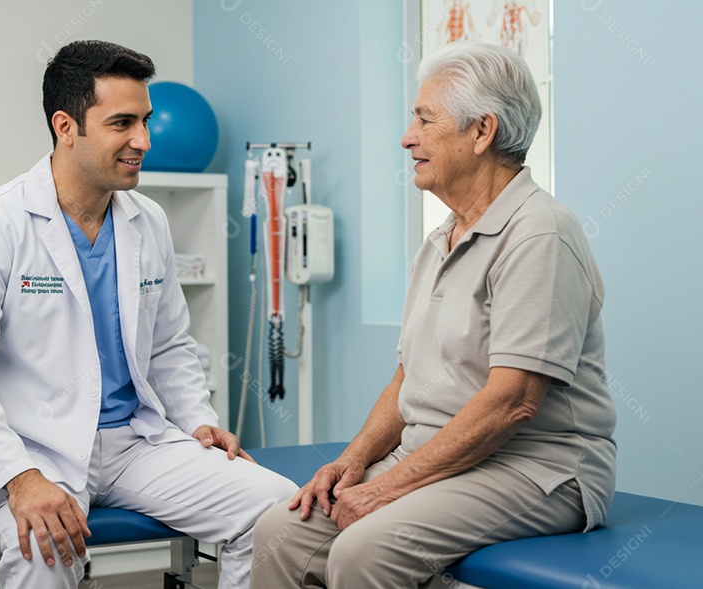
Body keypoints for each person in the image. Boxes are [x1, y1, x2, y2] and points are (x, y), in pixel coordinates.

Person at [0, 40, 297, 589]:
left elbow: (171, 344)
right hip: (33, 447)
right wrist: (20, 477)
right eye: (122, 123)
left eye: (145, 121)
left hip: (135, 443)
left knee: (278, 512)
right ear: (66, 126)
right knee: (42, 552)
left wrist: (198, 419)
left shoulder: (147, 221)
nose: (143, 141)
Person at [251, 41, 617, 589]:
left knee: (364, 551)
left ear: (482, 132)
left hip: (539, 470)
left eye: (424, 119)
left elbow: (513, 401)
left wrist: (385, 488)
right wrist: (352, 464)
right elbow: (408, 379)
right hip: (440, 456)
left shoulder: (541, 234)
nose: (408, 137)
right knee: (280, 531)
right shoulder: (442, 238)